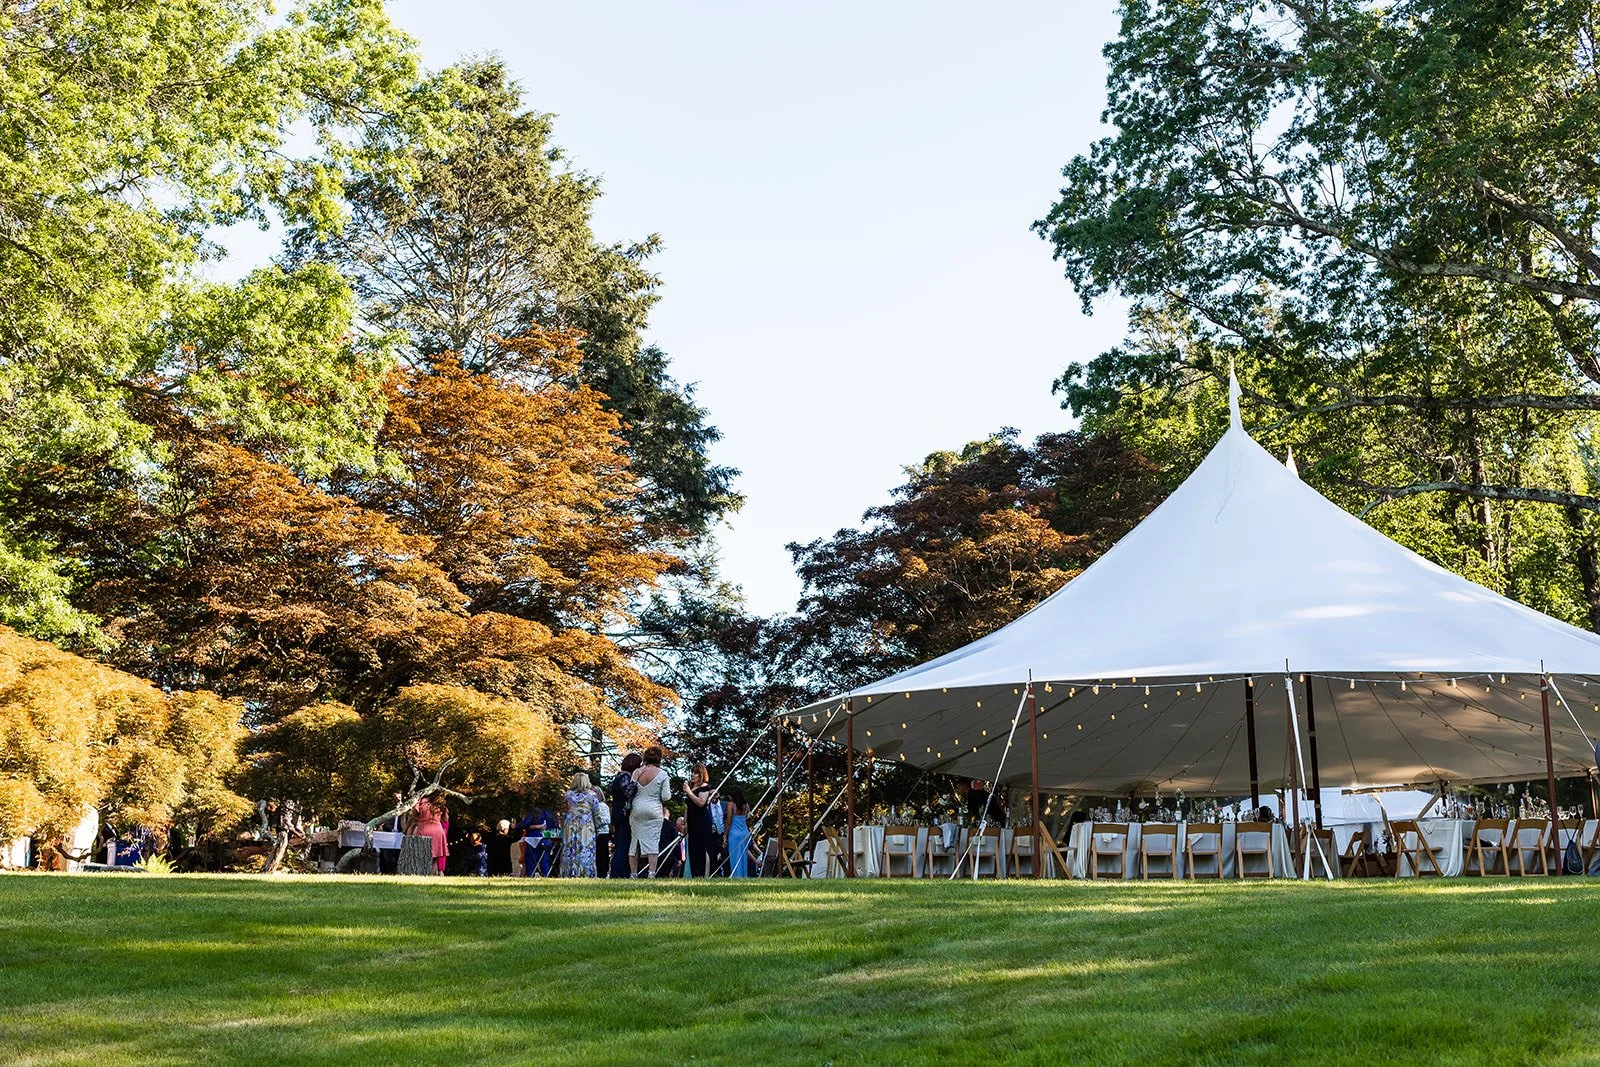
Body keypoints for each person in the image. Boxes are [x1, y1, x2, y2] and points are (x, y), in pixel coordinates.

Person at [628, 746, 672, 877]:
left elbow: (630, 790)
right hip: (653, 810)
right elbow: (666, 796)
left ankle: (633, 873)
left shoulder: (638, 772)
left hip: (637, 809)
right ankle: (651, 872)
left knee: (634, 842)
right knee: (653, 841)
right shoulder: (663, 774)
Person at [559, 772, 603, 877]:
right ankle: (585, 872)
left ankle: (569, 872)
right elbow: (597, 813)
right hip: (586, 826)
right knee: (585, 849)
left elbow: (563, 813)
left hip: (570, 826)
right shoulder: (592, 795)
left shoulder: (568, 795)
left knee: (570, 849)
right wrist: (598, 827)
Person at [683, 763, 719, 877]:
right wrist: (686, 823)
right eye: (692, 772)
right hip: (692, 820)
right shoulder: (691, 786)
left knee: (701, 847)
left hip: (702, 821)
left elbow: (701, 803)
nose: (693, 775)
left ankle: (703, 874)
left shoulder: (704, 787)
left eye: (696, 773)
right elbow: (688, 807)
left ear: (701, 775)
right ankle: (694, 873)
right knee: (692, 847)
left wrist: (689, 792)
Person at [609, 753, 641, 878]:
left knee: (622, 844)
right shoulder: (625, 778)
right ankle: (620, 873)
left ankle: (618, 871)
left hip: (618, 814)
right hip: (623, 815)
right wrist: (635, 780)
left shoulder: (619, 777)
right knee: (623, 844)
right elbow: (628, 793)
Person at [406, 796, 448, 875]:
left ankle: (422, 876)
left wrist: (407, 827)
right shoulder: (439, 805)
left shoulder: (420, 804)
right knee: (434, 859)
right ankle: (433, 878)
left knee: (421, 856)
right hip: (438, 831)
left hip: (424, 830)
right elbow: (445, 819)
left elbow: (413, 816)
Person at [724, 785, 751, 878]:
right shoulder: (746, 805)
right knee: (743, 856)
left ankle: (736, 875)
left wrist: (725, 835)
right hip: (744, 832)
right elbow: (748, 817)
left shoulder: (731, 804)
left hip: (734, 832)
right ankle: (744, 875)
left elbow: (728, 821)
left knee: (734, 855)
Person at [591, 782, 612, 877]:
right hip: (593, 833)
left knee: (602, 854)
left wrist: (597, 820)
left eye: (595, 792)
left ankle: (603, 872)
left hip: (602, 832)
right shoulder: (590, 806)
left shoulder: (603, 806)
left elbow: (607, 820)